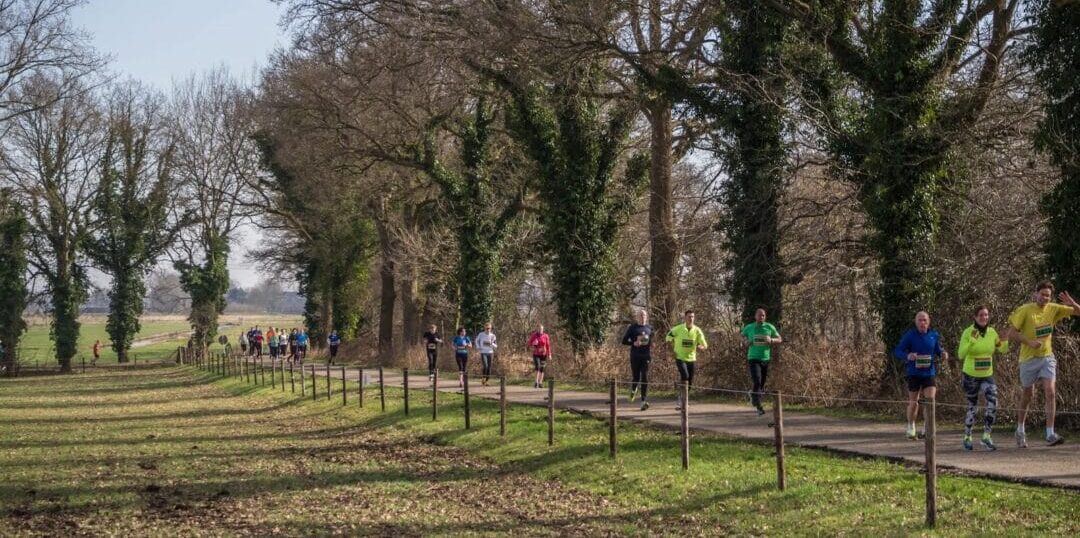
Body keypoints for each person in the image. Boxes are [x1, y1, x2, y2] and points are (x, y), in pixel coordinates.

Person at [1004, 281, 1080, 447]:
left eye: (1048, 295)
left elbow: (1078, 312)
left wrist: (1073, 304)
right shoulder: (1025, 310)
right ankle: (1020, 429)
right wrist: (1029, 342)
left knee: (1050, 392)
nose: (1045, 298)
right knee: (1028, 395)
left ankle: (1050, 433)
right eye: (1043, 294)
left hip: (1047, 357)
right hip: (1028, 359)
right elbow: (1012, 333)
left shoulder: (1053, 308)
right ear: (1035, 293)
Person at [956, 306, 1009, 451]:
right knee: (973, 407)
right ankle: (967, 436)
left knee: (993, 402)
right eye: (980, 315)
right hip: (971, 375)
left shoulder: (992, 332)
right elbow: (960, 354)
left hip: (987, 375)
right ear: (975, 317)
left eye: (986, 315)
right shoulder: (968, 332)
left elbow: (1002, 349)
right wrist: (971, 341)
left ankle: (986, 436)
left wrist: (1004, 341)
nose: (984, 317)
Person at [894, 311, 948, 440]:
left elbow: (937, 349)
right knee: (914, 403)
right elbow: (898, 350)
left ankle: (926, 428)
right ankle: (911, 426)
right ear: (915, 322)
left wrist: (943, 353)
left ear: (929, 322)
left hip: (929, 373)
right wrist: (908, 356)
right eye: (920, 320)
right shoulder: (910, 335)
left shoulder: (934, 335)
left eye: (925, 320)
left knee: (930, 402)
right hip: (914, 373)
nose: (922, 323)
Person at [741, 308, 782, 416]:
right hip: (753, 358)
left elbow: (780, 339)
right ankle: (758, 406)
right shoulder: (749, 327)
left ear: (765, 317)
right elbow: (742, 337)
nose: (761, 317)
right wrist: (745, 342)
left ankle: (753, 395)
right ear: (755, 316)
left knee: (761, 384)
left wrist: (772, 340)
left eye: (763, 315)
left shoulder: (769, 327)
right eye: (759, 315)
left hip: (765, 358)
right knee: (758, 380)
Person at [665, 310, 708, 410]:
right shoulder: (678, 329)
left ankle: (684, 399)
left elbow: (704, 344)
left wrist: (702, 347)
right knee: (685, 376)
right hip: (680, 357)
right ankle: (680, 400)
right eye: (689, 317)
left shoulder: (697, 330)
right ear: (685, 318)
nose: (691, 318)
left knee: (690, 381)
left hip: (692, 358)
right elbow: (668, 337)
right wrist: (672, 350)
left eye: (692, 317)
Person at [620, 308, 653, 411]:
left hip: (646, 356)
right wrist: (633, 343)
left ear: (646, 317)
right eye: (640, 315)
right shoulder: (632, 328)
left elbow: (652, 340)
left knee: (645, 378)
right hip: (635, 356)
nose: (642, 317)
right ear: (637, 317)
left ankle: (643, 401)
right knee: (636, 377)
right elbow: (624, 341)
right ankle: (634, 390)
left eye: (644, 315)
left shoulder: (650, 328)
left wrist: (653, 343)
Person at [527, 324, 552, 389]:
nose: (541, 330)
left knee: (542, 368)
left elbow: (548, 346)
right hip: (536, 354)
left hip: (544, 354)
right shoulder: (534, 335)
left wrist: (549, 354)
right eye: (540, 329)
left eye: (542, 329)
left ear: (543, 329)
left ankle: (540, 383)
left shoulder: (546, 336)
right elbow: (529, 343)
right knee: (538, 367)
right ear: (537, 329)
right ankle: (536, 382)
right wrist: (533, 343)